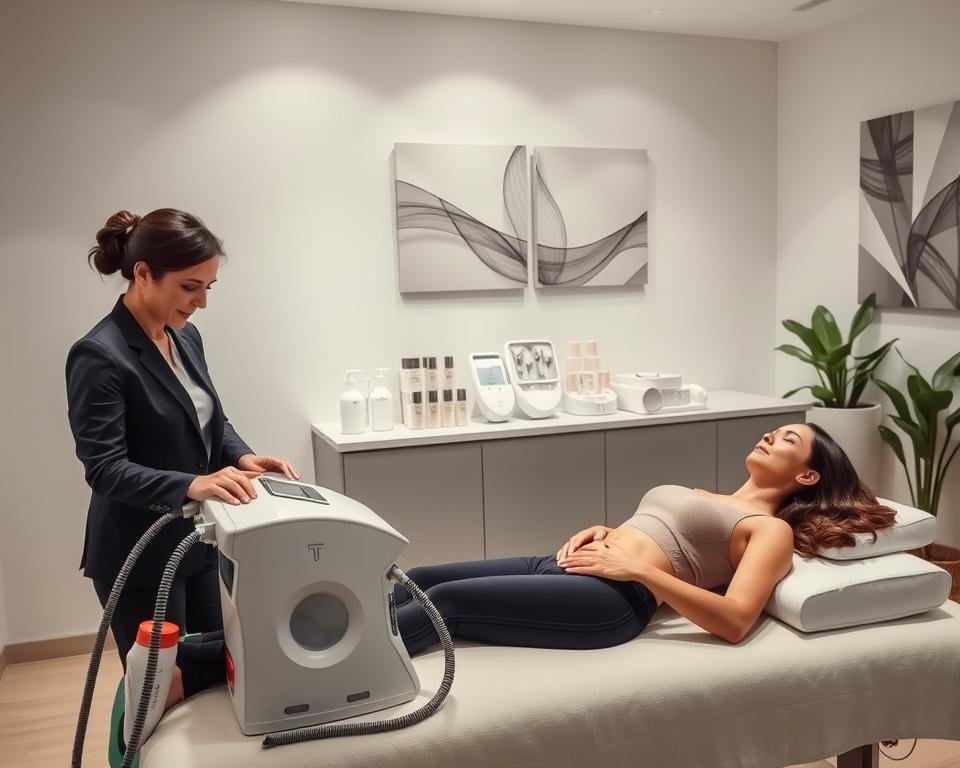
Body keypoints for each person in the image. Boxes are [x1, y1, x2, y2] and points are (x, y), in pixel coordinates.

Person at [393, 422, 898, 654]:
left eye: (790, 440)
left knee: (449, 601)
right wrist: (610, 530)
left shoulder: (770, 531)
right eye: (777, 430)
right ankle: (320, 642)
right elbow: (664, 535)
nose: (771, 435)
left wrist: (641, 571)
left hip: (613, 599)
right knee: (418, 577)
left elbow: (736, 622)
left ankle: (349, 679)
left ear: (807, 477)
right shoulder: (711, 495)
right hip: (566, 564)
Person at [66, 208, 299, 704]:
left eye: (209, 287)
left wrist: (243, 458)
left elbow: (210, 420)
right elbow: (104, 469)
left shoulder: (184, 336)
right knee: (158, 693)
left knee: (221, 674)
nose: (202, 302)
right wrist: (191, 485)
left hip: (202, 543)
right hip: (140, 553)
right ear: (144, 274)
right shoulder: (100, 355)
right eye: (191, 287)